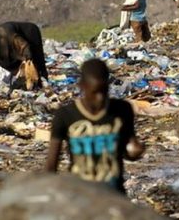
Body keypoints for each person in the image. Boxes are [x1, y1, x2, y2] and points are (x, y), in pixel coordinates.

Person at [46, 58, 145, 194]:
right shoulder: (66, 115)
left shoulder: (122, 110)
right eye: (95, 92)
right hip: (80, 194)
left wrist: (136, 151)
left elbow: (127, 151)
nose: (100, 98)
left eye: (104, 91)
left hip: (113, 193)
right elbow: (51, 165)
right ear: (82, 86)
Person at [0, 21, 48, 92]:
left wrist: (28, 58)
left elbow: (24, 45)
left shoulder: (8, 35)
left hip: (30, 34)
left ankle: (42, 84)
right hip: (12, 46)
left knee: (37, 60)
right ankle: (21, 82)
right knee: (14, 67)